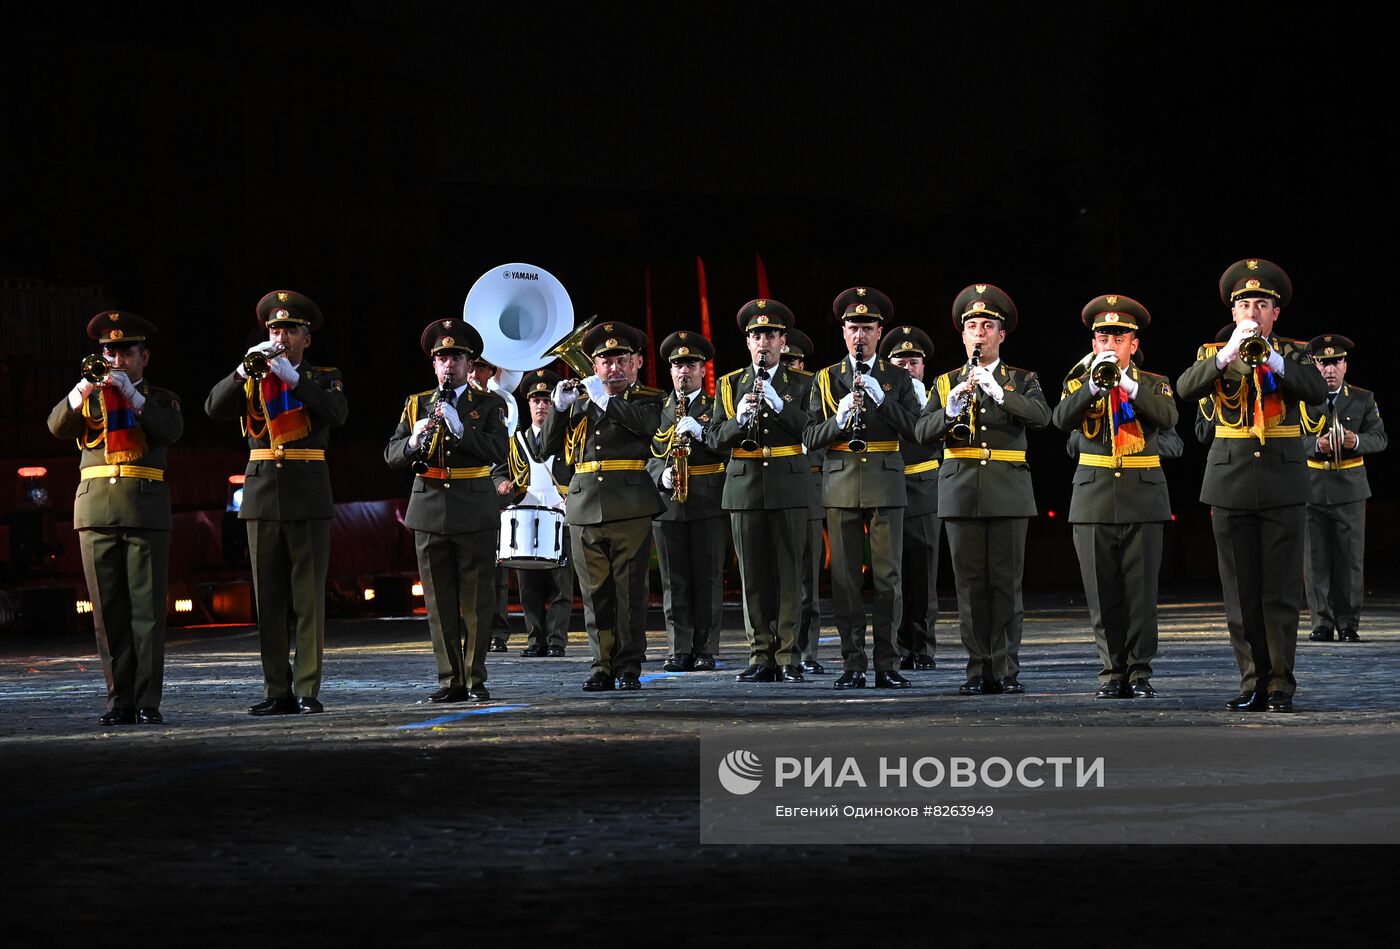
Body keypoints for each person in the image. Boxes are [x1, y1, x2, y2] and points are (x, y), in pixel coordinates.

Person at [1176, 259, 1325, 713]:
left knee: (1280, 592)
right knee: (1240, 592)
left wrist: (1274, 358)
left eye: (1262, 304)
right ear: (1234, 311)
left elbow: (1316, 391)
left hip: (1282, 479)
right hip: (1231, 480)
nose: (1253, 312)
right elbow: (1185, 389)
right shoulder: (1213, 353)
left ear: (1275, 313)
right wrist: (1227, 355)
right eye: (1245, 304)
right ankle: (1252, 681)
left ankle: (1280, 684)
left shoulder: (1295, 352)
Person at [205, 290, 348, 715]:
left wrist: (294, 378)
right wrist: (238, 370)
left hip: (306, 490)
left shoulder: (324, 375)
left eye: (289, 329)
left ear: (307, 338)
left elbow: (335, 413)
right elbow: (213, 407)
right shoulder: (253, 377)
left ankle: (306, 688)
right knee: (268, 600)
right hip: (263, 492)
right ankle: (275, 690)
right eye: (274, 329)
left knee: (307, 600)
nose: (280, 336)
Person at [47, 311, 182, 726]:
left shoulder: (159, 398)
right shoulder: (89, 398)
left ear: (145, 356)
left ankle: (146, 701)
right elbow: (55, 425)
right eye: (110, 353)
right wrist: (84, 385)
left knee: (147, 615)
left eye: (126, 353)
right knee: (107, 616)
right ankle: (118, 701)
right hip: (96, 511)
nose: (117, 361)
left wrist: (134, 398)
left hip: (143, 509)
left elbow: (169, 430)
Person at [915, 284, 1050, 696]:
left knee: (1006, 585)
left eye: (987, 326)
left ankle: (1006, 668)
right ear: (963, 335)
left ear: (1001, 335)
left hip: (1008, 492)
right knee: (970, 587)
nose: (979, 332)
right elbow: (921, 431)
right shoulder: (945, 382)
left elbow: (1042, 417)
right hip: (960, 492)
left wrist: (998, 392)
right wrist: (950, 409)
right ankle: (977, 670)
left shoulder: (1022, 379)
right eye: (972, 326)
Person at [1052, 295, 1178, 699]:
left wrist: (1125, 383)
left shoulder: (1154, 382)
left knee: (1140, 594)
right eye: (1103, 335)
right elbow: (1060, 420)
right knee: (1102, 594)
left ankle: (1140, 671)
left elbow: (1169, 418)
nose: (1110, 341)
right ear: (1094, 343)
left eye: (1119, 336)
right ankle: (1111, 672)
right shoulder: (1077, 382)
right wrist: (1093, 384)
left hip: (1142, 496)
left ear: (1133, 344)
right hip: (1093, 498)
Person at [385, 320, 508, 703]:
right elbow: (390, 456)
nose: (448, 364)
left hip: (473, 508)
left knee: (476, 602)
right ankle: (449, 678)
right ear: (434, 366)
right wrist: (412, 441)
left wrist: (461, 431)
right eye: (441, 358)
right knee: (438, 603)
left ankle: (474, 677)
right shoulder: (415, 403)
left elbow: (498, 452)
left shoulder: (489, 404)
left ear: (468, 363)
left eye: (455, 357)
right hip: (429, 507)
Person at [805, 288, 922, 690]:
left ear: (879, 332)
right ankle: (853, 662)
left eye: (867, 328)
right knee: (845, 581)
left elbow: (915, 430)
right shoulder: (825, 378)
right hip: (840, 483)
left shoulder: (897, 378)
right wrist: (838, 420)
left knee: (889, 581)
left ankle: (887, 663)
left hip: (886, 482)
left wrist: (881, 400)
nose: (860, 335)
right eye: (853, 327)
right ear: (843, 332)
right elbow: (809, 436)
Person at [541, 322, 665, 691]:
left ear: (637, 362)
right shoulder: (580, 403)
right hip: (583, 504)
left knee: (629, 592)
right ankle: (601, 663)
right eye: (604, 361)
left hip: (629, 504)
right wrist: (559, 410)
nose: (613, 368)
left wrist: (606, 401)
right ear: (593, 366)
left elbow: (649, 427)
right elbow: (544, 449)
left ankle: (628, 665)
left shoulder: (650, 398)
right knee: (594, 593)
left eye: (621, 360)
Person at [705, 299, 816, 683]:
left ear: (783, 341)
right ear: (748, 343)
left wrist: (778, 405)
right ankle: (760, 655)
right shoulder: (728, 384)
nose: (762, 342)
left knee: (789, 573)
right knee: (752, 575)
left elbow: (813, 432)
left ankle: (788, 655)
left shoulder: (803, 383)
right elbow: (715, 438)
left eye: (770, 335)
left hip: (787, 482)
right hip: (745, 486)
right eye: (756, 336)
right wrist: (739, 419)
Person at [647, 331, 729, 672]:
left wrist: (702, 432)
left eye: (691, 364)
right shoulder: (657, 409)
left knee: (708, 578)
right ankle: (679, 648)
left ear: (702, 369)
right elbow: (644, 453)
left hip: (708, 501)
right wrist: (660, 475)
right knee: (673, 579)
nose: (684, 372)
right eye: (678, 365)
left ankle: (706, 647)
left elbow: (729, 446)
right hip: (669, 504)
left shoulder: (716, 407)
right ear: (670, 371)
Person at [1300, 334, 1387, 643]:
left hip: (1349, 487)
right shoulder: (1302, 399)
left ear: (1346, 364)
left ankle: (1348, 622)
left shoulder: (1363, 398)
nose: (1330, 369)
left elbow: (1380, 438)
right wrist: (1315, 445)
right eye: (1323, 362)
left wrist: (1356, 441)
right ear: (1314, 365)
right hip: (1312, 486)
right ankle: (1321, 622)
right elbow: (1288, 439)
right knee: (1315, 559)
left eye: (1336, 361)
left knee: (1350, 560)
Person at [879, 324, 943, 673]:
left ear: (923, 366)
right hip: (888, 484)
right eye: (900, 362)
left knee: (923, 570)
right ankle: (896, 645)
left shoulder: (935, 394)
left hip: (923, 483)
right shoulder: (880, 395)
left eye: (913, 362)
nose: (908, 368)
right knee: (891, 573)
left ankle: (922, 646)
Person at [498, 369, 574, 657]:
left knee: (561, 588)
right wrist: (502, 484)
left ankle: (556, 641)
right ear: (528, 405)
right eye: (535, 400)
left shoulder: (567, 437)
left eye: (546, 400)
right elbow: (498, 471)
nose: (541, 405)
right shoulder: (515, 441)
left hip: (561, 518)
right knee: (528, 587)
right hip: (525, 520)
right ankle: (535, 640)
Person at [779, 329, 827, 675]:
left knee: (807, 575)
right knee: (779, 575)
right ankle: (780, 649)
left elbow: (824, 436)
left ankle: (807, 650)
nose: (789, 368)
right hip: (777, 484)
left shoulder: (814, 389)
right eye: (784, 362)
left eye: (793, 362)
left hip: (808, 484)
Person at [467, 355, 517, 654]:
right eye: (470, 366)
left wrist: (501, 483)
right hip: (464, 491)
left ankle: (497, 631)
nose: (474, 372)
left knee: (497, 570)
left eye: (480, 367)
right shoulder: (453, 400)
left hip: (492, 491)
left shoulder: (502, 403)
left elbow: (505, 451)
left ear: (491, 371)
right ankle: (474, 630)